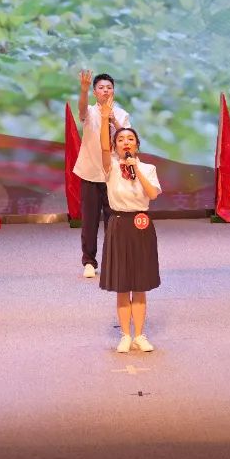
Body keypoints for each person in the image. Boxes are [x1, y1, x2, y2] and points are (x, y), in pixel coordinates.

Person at [97, 95, 161, 353]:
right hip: (119, 223)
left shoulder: (148, 168)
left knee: (140, 284)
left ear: (137, 145)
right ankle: (125, 335)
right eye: (121, 139)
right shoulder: (110, 167)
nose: (126, 142)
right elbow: (103, 148)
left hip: (142, 224)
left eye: (130, 139)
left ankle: (140, 335)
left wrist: (137, 169)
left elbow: (152, 194)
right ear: (115, 146)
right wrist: (105, 119)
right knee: (122, 284)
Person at [72, 70, 131, 278]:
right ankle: (89, 261)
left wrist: (113, 120)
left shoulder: (122, 114)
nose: (105, 91)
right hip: (90, 172)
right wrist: (83, 90)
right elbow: (81, 110)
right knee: (89, 220)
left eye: (109, 88)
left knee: (113, 220)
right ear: (95, 92)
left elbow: (127, 140)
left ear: (114, 91)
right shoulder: (89, 112)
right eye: (101, 88)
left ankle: (112, 260)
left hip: (113, 174)